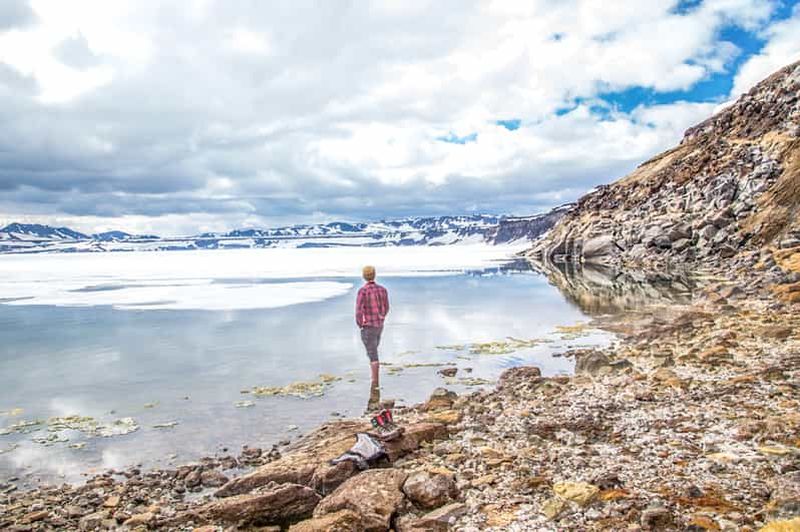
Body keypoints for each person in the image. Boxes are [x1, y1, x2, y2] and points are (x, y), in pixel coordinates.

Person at [355, 265, 389, 391]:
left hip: (368, 325)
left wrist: (360, 324)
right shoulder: (382, 290)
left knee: (372, 354)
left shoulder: (363, 291)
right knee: (374, 350)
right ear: (374, 275)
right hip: (379, 325)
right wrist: (381, 317)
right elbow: (386, 307)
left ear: (364, 276)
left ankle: (375, 382)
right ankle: (375, 380)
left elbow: (358, 311)